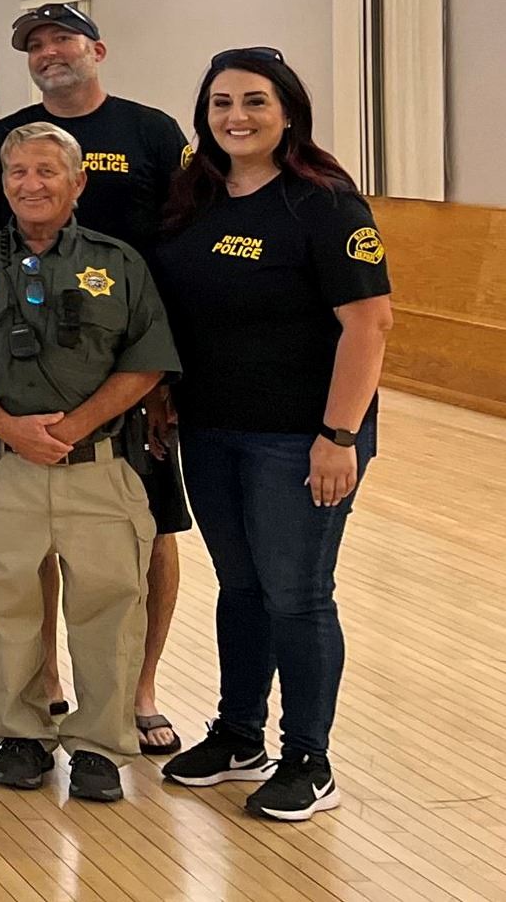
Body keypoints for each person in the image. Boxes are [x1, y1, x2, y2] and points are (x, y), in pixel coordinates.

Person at [152, 49, 391, 822]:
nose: (237, 117)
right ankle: (239, 734)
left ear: (288, 111)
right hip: (214, 429)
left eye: (255, 102)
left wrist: (338, 435)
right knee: (241, 587)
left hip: (302, 438)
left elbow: (369, 324)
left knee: (298, 595)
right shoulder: (196, 198)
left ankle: (309, 760)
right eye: (221, 103)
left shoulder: (323, 203)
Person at [0, 3, 193, 755]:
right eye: (35, 44)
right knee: (26, 543)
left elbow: (186, 247)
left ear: (98, 48)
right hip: (18, 384)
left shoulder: (152, 132)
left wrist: (161, 377)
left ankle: (137, 690)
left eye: (63, 38)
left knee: (144, 533)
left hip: (134, 375)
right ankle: (42, 681)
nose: (49, 51)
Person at [0, 120, 179, 803]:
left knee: (109, 609)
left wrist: (73, 428)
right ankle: (22, 736)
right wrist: (9, 426)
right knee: (6, 609)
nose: (30, 185)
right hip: (3, 468)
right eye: (17, 174)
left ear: (78, 182)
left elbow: (146, 361)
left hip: (98, 470)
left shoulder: (119, 263)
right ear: (2, 184)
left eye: (46, 171)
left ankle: (98, 745)